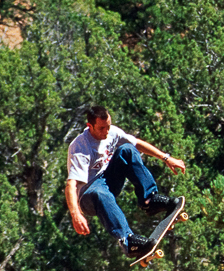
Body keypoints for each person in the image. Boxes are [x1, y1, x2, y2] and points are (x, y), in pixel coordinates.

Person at [64, 105, 187, 258]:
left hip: (108, 182)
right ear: (90, 126)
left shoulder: (112, 132)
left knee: (127, 149)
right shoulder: (80, 147)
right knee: (99, 192)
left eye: (108, 126)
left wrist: (166, 158)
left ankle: (149, 199)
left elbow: (137, 144)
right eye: (101, 128)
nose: (106, 132)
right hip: (88, 196)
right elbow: (71, 185)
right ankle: (128, 242)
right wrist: (75, 214)